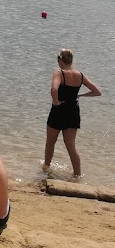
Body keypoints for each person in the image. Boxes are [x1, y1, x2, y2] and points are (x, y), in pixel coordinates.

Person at [44, 48, 102, 177]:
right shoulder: (80, 75)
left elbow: (54, 89)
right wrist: (80, 95)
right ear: (71, 61)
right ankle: (77, 175)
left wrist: (56, 102)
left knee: (50, 142)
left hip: (59, 111)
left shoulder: (59, 73)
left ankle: (46, 168)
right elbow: (97, 92)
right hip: (73, 112)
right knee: (71, 146)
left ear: (60, 60)